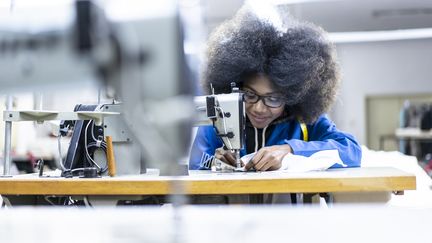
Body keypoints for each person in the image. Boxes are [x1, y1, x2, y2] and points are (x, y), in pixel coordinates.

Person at [189, 4, 361, 171]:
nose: (258, 108)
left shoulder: (304, 122)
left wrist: (290, 150)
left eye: (273, 98)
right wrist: (213, 163)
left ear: (293, 97)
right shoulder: (218, 121)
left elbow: (351, 151)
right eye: (249, 94)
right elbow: (195, 166)